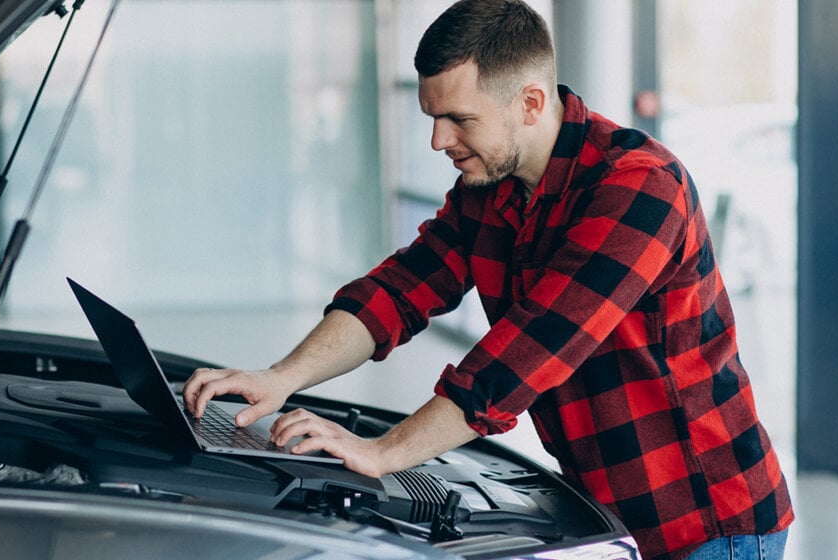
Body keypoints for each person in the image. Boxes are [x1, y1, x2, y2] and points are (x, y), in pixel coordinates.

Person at [183, 1, 794, 558]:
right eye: (431, 116)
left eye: (458, 119)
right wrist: (279, 378)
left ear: (529, 103)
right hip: (605, 511)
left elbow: (527, 355)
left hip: (708, 525)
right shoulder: (488, 191)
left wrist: (381, 453)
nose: (437, 140)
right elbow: (398, 291)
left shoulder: (638, 186)